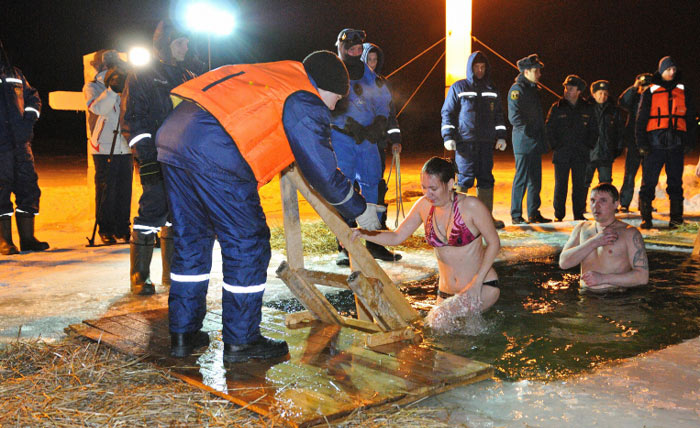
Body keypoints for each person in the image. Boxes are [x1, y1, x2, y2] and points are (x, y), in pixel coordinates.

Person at [156, 51, 383, 362]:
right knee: (247, 244)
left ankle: (184, 334)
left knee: (192, 239)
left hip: (174, 137)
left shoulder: (277, 74)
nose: (333, 107)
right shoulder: (304, 97)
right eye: (335, 99)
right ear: (326, 87)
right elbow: (321, 168)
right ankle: (242, 341)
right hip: (215, 149)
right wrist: (358, 208)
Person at [353, 157, 500, 311]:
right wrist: (362, 233)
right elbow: (397, 237)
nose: (428, 194)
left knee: (437, 324)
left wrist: (477, 282)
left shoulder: (471, 206)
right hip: (445, 293)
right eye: (424, 187)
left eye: (433, 188)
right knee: (440, 330)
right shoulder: (423, 206)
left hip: (480, 287)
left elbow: (494, 242)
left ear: (450, 183)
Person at [121, 20, 196, 295]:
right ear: (165, 45)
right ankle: (140, 277)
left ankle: (171, 274)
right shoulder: (143, 75)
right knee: (151, 212)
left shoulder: (187, 75)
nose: (186, 47)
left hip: (182, 159)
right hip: (156, 156)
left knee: (177, 215)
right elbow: (134, 120)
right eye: (180, 42)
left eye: (187, 42)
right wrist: (147, 159)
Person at [331, 29, 400, 265]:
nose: (354, 51)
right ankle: (344, 245)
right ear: (340, 48)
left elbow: (383, 104)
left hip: (367, 140)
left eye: (358, 48)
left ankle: (374, 242)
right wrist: (339, 117)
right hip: (341, 138)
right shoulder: (332, 73)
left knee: (374, 185)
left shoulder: (370, 77)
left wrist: (377, 125)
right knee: (344, 186)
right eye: (350, 48)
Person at [441, 51, 508, 229]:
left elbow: (499, 115)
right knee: (464, 180)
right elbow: (447, 112)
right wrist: (448, 136)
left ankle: (486, 220)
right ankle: (458, 220)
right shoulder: (459, 88)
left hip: (486, 143)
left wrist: (501, 136)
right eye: (476, 67)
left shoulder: (492, 90)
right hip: (465, 144)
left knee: (486, 179)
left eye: (482, 67)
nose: (479, 70)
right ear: (470, 68)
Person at [635, 56, 697, 229]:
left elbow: (690, 119)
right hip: (654, 145)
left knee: (675, 183)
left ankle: (676, 219)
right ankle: (646, 217)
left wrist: (689, 141)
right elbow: (640, 120)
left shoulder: (684, 92)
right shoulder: (650, 92)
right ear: (661, 71)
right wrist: (642, 143)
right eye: (668, 69)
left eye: (674, 69)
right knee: (648, 182)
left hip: (676, 145)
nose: (672, 72)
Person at [0, 40, 49, 256]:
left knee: (28, 188)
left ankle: (28, 239)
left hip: (21, 143)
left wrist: (29, 119)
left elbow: (33, 97)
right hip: (1, 146)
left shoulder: (15, 73)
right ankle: (5, 241)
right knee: (1, 191)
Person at [559, 183, 648, 293]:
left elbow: (642, 277)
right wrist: (594, 242)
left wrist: (603, 279)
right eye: (592, 201)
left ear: (616, 204)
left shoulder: (629, 233)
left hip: (615, 300)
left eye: (603, 201)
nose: (596, 206)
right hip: (586, 298)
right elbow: (564, 263)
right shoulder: (581, 229)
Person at [83, 50, 132, 245]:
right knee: (106, 189)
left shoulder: (128, 83)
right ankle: (106, 228)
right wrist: (112, 89)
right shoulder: (93, 86)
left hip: (125, 144)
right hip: (104, 145)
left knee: (124, 189)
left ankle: (122, 227)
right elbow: (98, 108)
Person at [360, 42, 402, 230]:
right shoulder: (353, 82)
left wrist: (395, 139)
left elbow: (390, 115)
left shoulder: (382, 83)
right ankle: (345, 243)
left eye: (375, 60)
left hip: (377, 145)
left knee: (378, 187)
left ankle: (377, 234)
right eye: (369, 59)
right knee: (353, 189)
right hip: (357, 145)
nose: (372, 63)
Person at [546, 74, 598, 221]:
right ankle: (559, 215)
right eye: (566, 88)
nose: (567, 90)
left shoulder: (587, 108)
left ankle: (578, 213)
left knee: (579, 186)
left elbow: (594, 130)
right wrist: (555, 145)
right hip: (562, 153)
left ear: (579, 91)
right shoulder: (557, 107)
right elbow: (549, 128)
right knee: (560, 186)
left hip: (581, 154)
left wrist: (588, 145)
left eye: (571, 88)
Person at [507, 54, 551, 225]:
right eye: (536, 70)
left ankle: (534, 213)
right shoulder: (517, 90)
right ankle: (516, 214)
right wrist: (530, 132)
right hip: (524, 141)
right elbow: (515, 117)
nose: (539, 74)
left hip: (535, 141)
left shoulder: (533, 89)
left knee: (535, 180)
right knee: (522, 178)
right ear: (526, 71)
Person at [618, 73, 653, 212]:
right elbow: (622, 101)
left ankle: (645, 203)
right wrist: (634, 87)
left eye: (646, 86)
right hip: (633, 142)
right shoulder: (634, 99)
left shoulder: (654, 99)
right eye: (642, 86)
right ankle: (624, 203)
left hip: (650, 142)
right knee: (630, 174)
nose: (643, 89)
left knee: (648, 175)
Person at [584, 80, 625, 191]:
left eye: (605, 93)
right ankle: (580, 207)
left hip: (606, 154)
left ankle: (604, 208)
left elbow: (619, 130)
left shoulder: (613, 110)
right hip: (588, 154)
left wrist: (618, 147)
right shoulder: (585, 109)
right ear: (593, 94)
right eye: (600, 93)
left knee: (606, 184)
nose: (603, 96)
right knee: (583, 182)